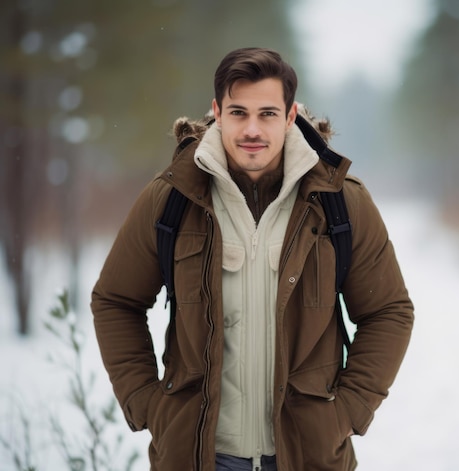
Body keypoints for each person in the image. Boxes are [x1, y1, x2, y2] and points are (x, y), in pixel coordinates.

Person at [91, 47, 414, 471]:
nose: (252, 129)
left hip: (307, 456)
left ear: (291, 115)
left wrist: (347, 412)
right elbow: (116, 301)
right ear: (217, 112)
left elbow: (389, 311)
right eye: (238, 112)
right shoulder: (172, 198)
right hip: (198, 457)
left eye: (267, 113)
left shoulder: (339, 202)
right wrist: (150, 406)